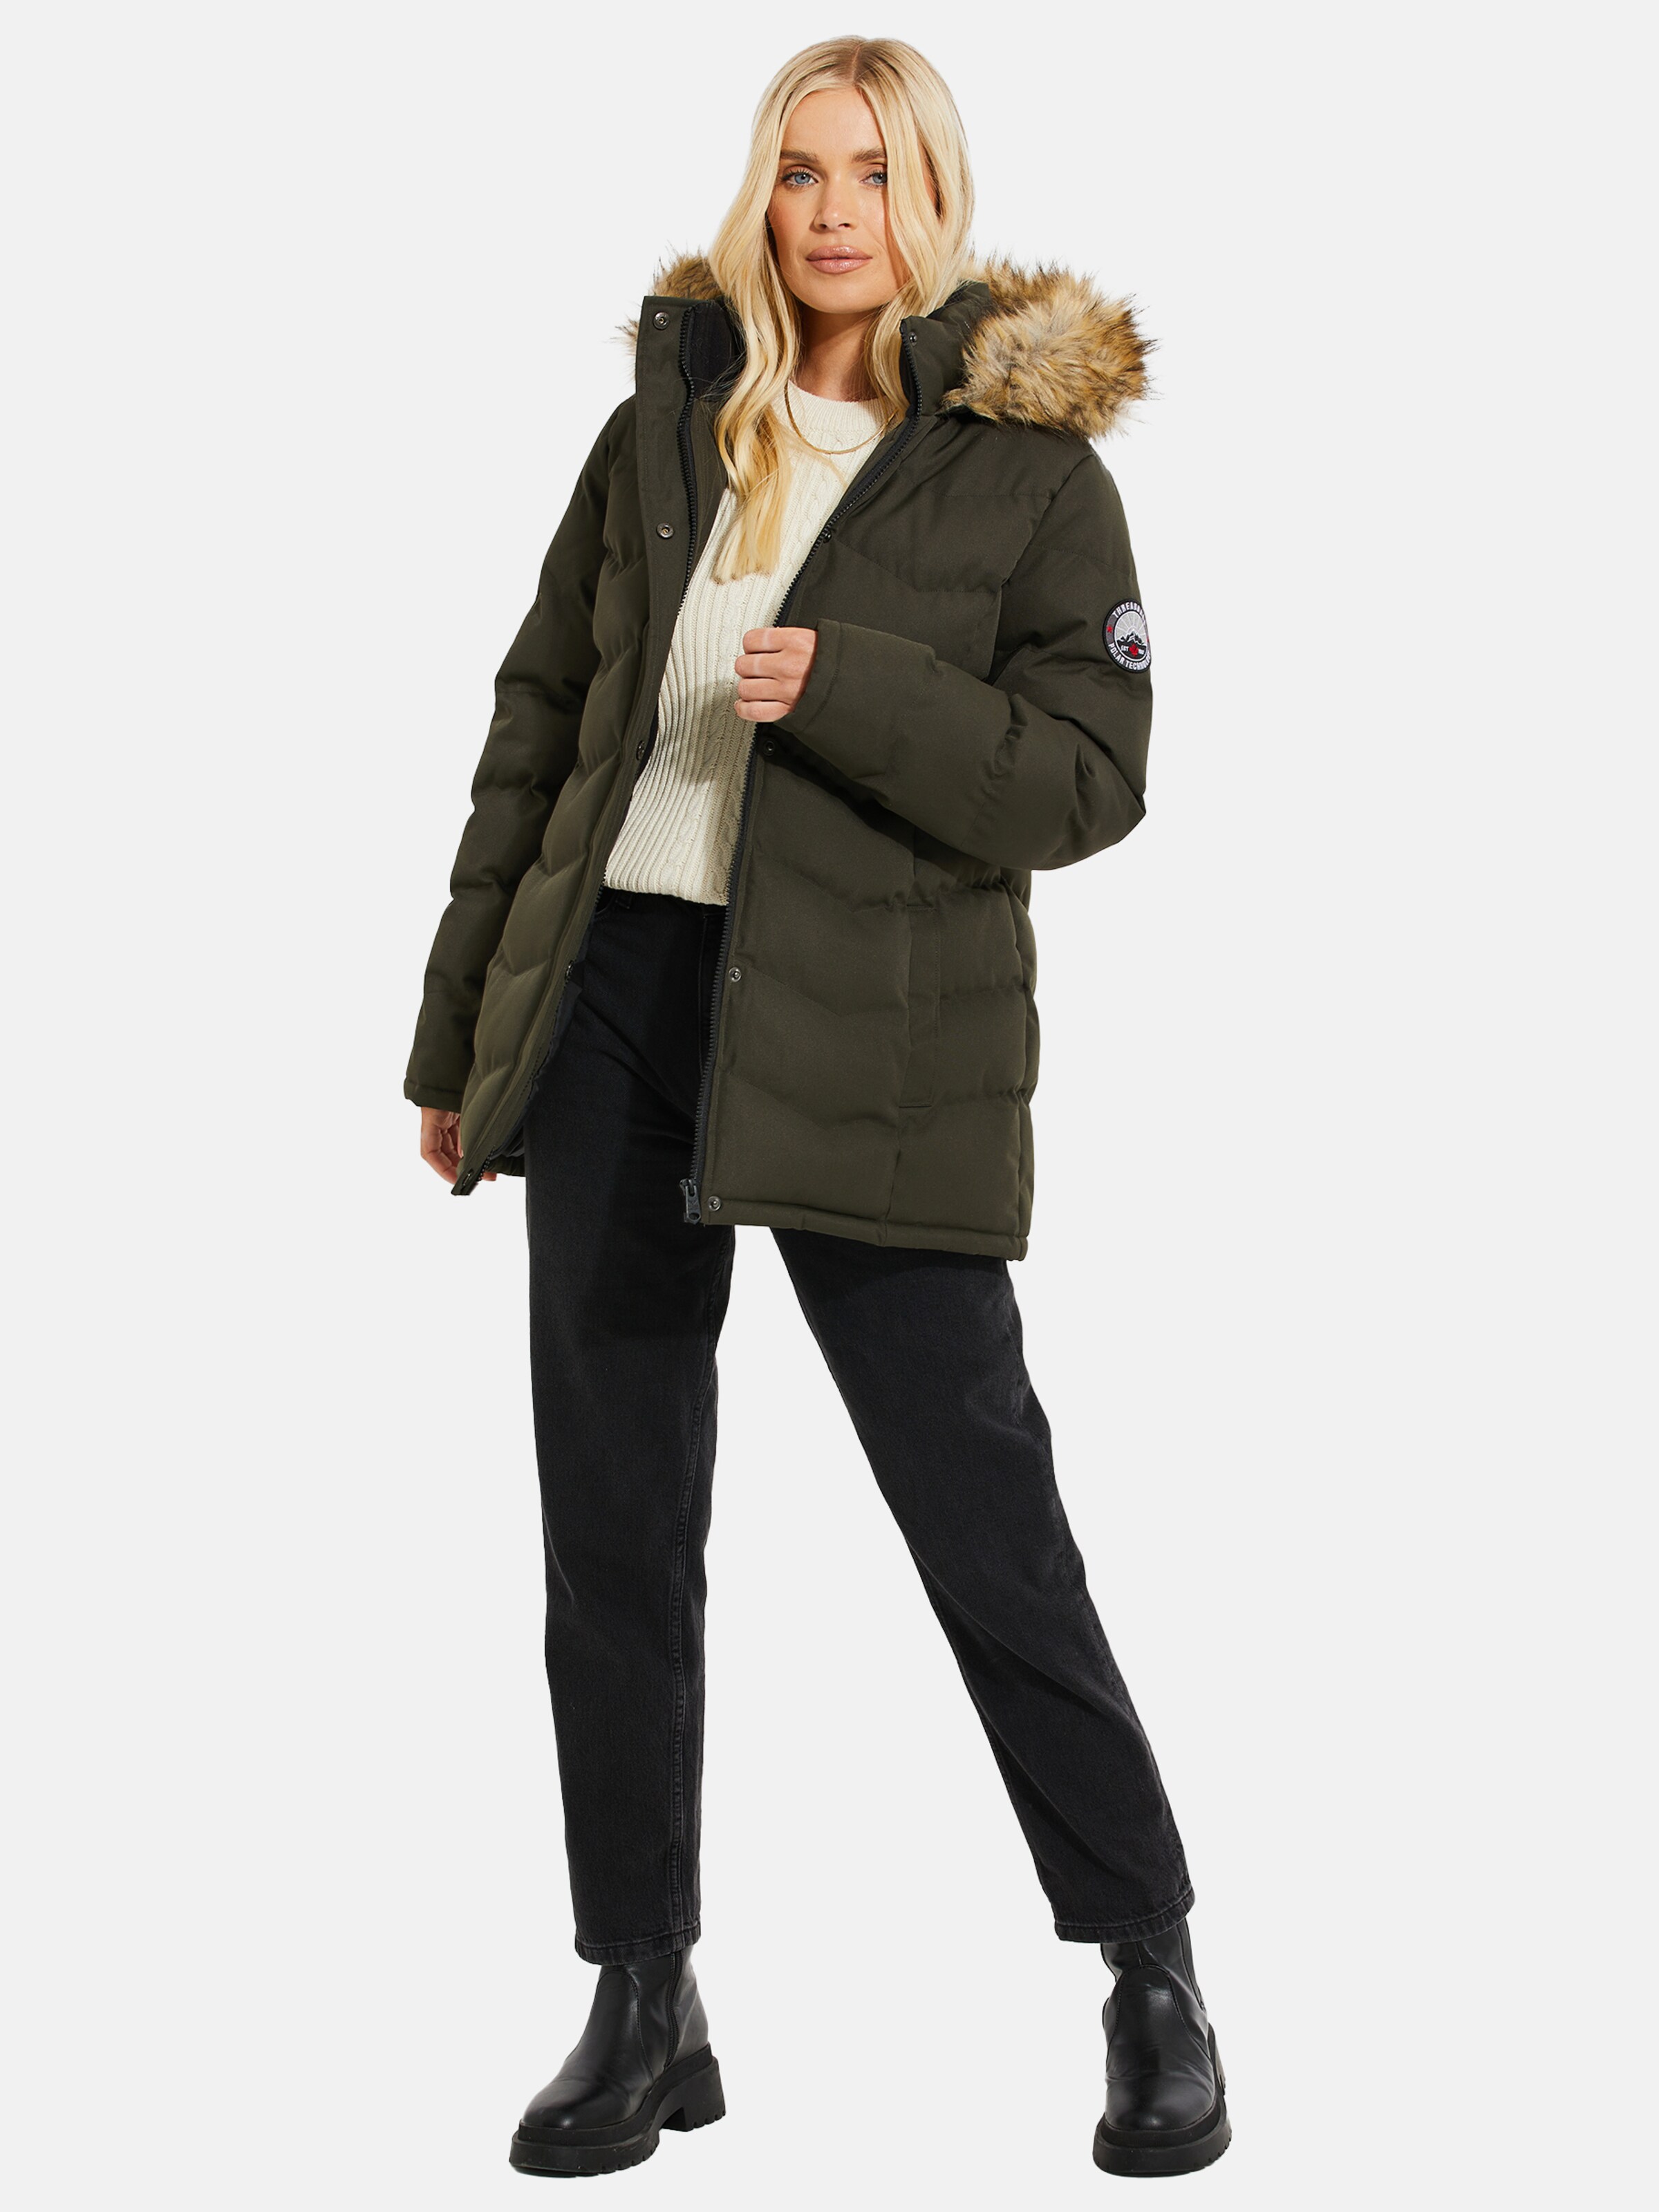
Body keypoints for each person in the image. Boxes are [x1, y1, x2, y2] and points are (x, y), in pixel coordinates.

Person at [406, 35, 1230, 2182]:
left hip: (878, 1036)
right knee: (612, 1529)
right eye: (799, 170)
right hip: (615, 1006)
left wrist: (852, 686)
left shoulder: (1031, 473)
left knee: (985, 1520)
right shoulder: (666, 426)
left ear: (932, 196)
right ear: (762, 197)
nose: (833, 209)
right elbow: (542, 722)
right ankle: (641, 1985)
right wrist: (462, 1038)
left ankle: (1150, 1962)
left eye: (871, 170)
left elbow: (1092, 777)